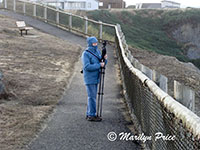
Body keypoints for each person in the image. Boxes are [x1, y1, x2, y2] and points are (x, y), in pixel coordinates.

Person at [81, 37, 107, 122]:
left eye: (96, 43)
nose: (95, 45)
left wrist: (105, 59)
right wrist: (99, 65)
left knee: (92, 96)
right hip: (89, 78)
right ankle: (91, 115)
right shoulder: (86, 54)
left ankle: (89, 114)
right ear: (90, 44)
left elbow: (102, 63)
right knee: (92, 97)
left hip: (96, 77)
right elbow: (87, 66)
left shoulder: (97, 52)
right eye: (94, 43)